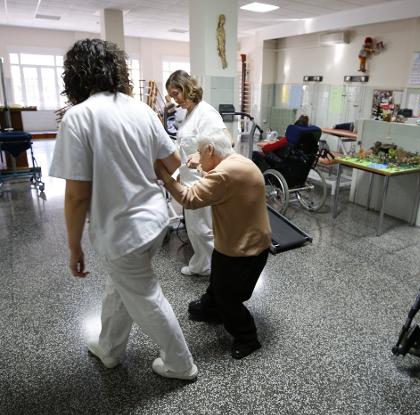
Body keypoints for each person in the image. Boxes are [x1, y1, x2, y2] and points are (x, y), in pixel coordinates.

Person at [49, 39, 197, 380]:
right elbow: (173, 161)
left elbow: (75, 196)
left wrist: (74, 247)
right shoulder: (140, 110)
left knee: (144, 295)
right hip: (155, 221)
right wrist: (141, 171)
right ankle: (109, 348)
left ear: (75, 76)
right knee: (121, 287)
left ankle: (180, 363)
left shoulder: (79, 117)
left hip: (122, 231)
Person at [155, 129, 272, 360]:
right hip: (242, 243)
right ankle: (212, 308)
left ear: (210, 150)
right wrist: (196, 164)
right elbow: (211, 174)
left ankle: (248, 337)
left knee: (229, 298)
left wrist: (164, 176)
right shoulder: (237, 161)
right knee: (218, 280)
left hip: (242, 250)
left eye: (200, 151)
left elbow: (189, 198)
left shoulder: (222, 175)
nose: (197, 156)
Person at [166, 70, 226, 276]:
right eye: (172, 96)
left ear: (187, 88)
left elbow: (224, 144)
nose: (175, 100)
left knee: (202, 229)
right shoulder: (189, 113)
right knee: (195, 229)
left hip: (202, 181)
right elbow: (183, 147)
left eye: (176, 94)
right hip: (189, 182)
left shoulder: (206, 113)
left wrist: (200, 159)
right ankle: (204, 263)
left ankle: (209, 267)